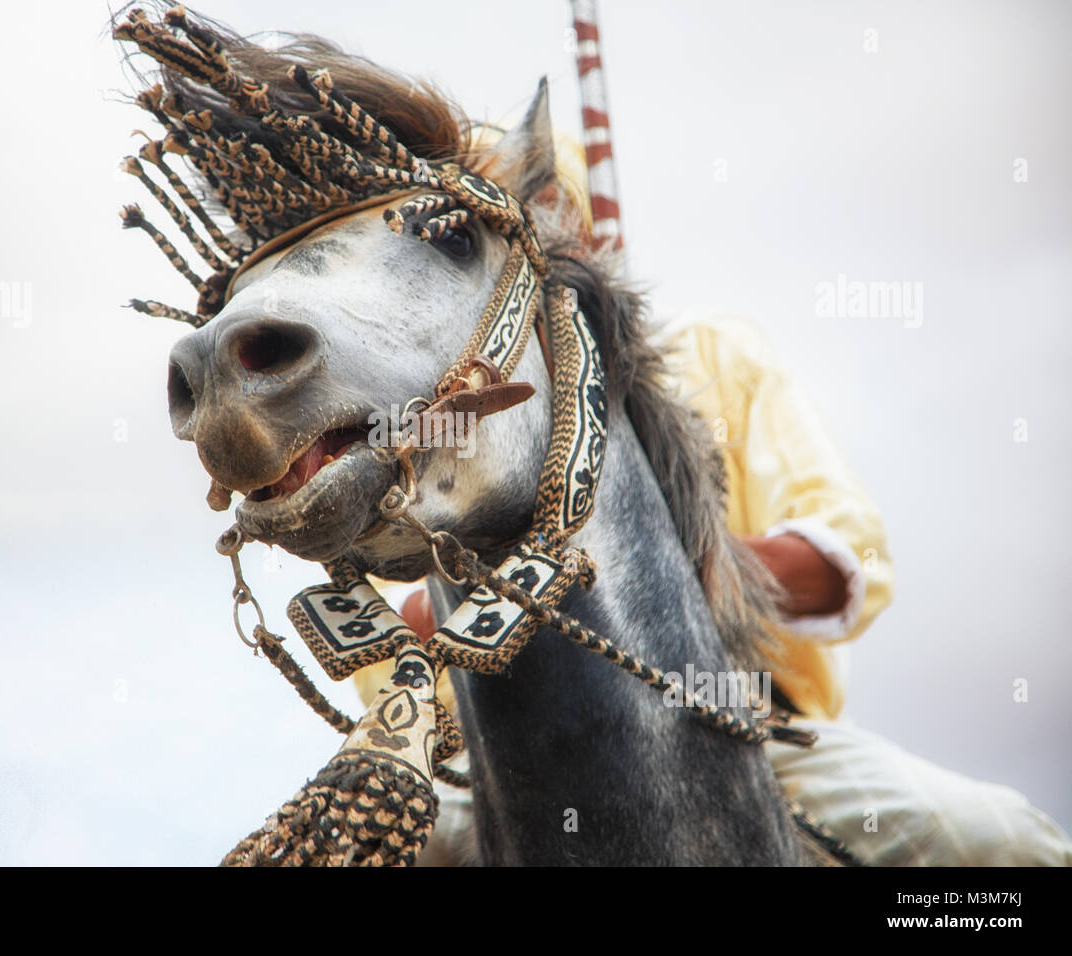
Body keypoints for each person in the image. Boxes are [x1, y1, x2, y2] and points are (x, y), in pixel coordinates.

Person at [350, 140, 1071, 866]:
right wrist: (465, 603)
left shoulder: (716, 356)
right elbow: (384, 638)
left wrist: (654, 572)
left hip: (751, 740)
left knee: (1004, 846)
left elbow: (847, 562)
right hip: (494, 775)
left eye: (542, 224)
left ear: (586, 237)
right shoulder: (426, 414)